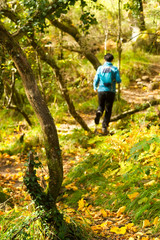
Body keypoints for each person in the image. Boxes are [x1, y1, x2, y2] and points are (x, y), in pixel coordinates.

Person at [93, 53, 121, 135]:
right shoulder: (114, 68)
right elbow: (118, 80)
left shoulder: (100, 68)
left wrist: (95, 87)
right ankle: (104, 127)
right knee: (108, 109)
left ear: (104, 60)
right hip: (111, 91)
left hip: (101, 90)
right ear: (112, 60)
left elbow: (96, 79)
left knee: (101, 106)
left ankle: (99, 112)